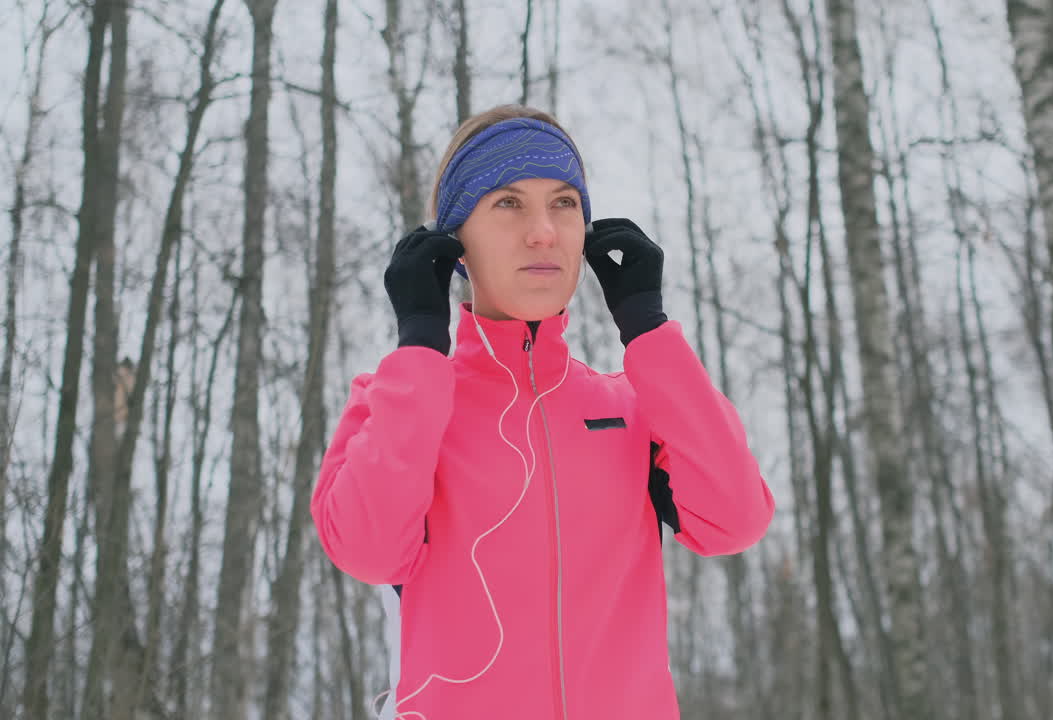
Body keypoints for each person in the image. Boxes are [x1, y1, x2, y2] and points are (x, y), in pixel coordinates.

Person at [310, 104, 775, 720]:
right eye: (508, 204)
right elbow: (367, 550)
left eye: (563, 204)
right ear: (455, 243)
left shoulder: (633, 406)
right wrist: (420, 345)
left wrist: (649, 331)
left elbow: (734, 521)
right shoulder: (398, 401)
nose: (543, 232)